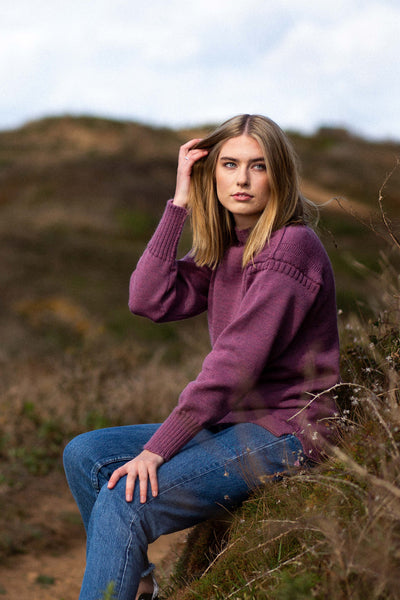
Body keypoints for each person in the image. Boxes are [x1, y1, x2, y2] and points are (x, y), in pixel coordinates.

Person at [63, 114, 340, 600]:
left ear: (279, 175)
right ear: (211, 174)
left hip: (289, 430)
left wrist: (158, 449)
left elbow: (235, 366)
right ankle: (140, 585)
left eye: (258, 166)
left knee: (126, 504)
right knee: (85, 455)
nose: (242, 179)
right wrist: (178, 205)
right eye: (230, 165)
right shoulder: (226, 246)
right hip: (234, 423)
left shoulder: (290, 247)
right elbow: (147, 300)